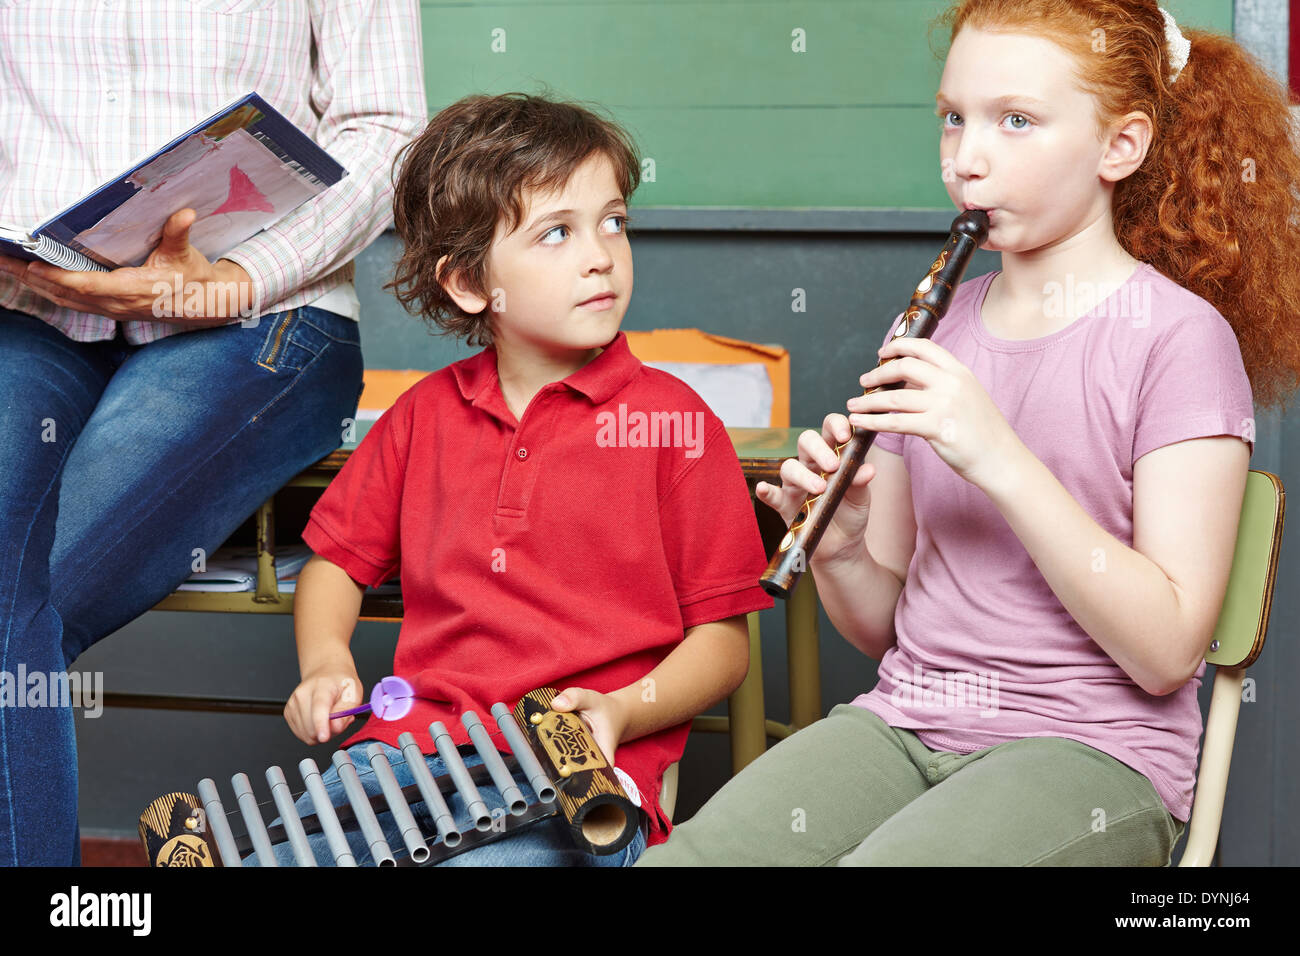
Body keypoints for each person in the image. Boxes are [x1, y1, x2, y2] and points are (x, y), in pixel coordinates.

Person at [639, 0, 1300, 866]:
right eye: (954, 119)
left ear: (1120, 147)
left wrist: (998, 456)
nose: (968, 159)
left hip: (1091, 755)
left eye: (1015, 121)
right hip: (906, 721)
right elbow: (890, 627)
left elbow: (1167, 650)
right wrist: (838, 547)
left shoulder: (1178, 340)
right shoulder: (935, 330)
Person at [269, 92, 773, 866]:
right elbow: (337, 562)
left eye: (613, 221)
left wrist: (622, 712)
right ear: (470, 284)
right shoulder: (422, 417)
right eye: (558, 233)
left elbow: (723, 645)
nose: (601, 253)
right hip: (404, 754)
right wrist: (327, 662)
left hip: (576, 770)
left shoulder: (675, 423)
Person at [0, 1, 426, 866]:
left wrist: (234, 278)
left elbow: (388, 130)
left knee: (17, 600)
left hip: (256, 310)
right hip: (32, 304)